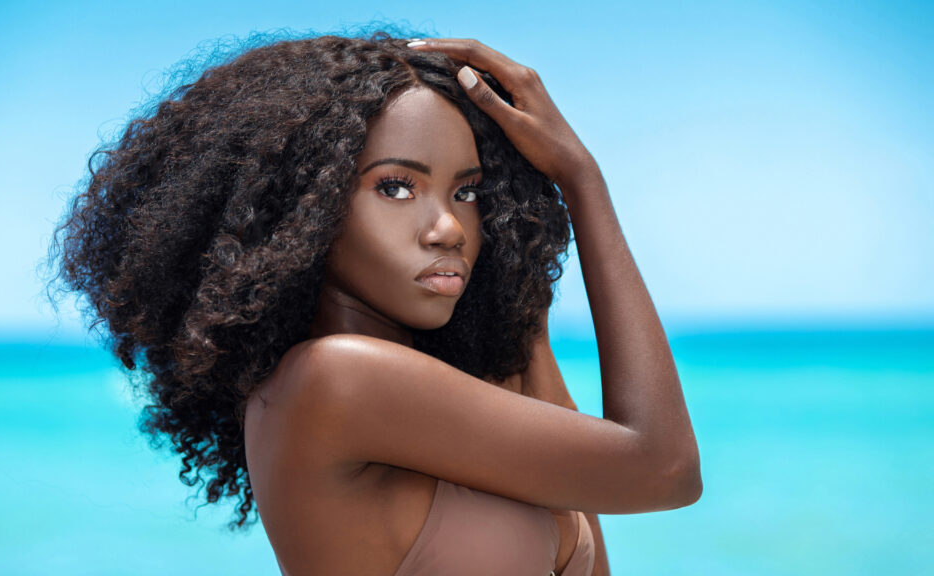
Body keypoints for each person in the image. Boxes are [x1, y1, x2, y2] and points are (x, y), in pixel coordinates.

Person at [51, 31, 700, 576]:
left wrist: (519, 277)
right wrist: (582, 180)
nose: (447, 227)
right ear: (306, 209)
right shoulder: (335, 379)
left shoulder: (454, 391)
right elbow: (665, 470)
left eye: (468, 192)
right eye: (396, 187)